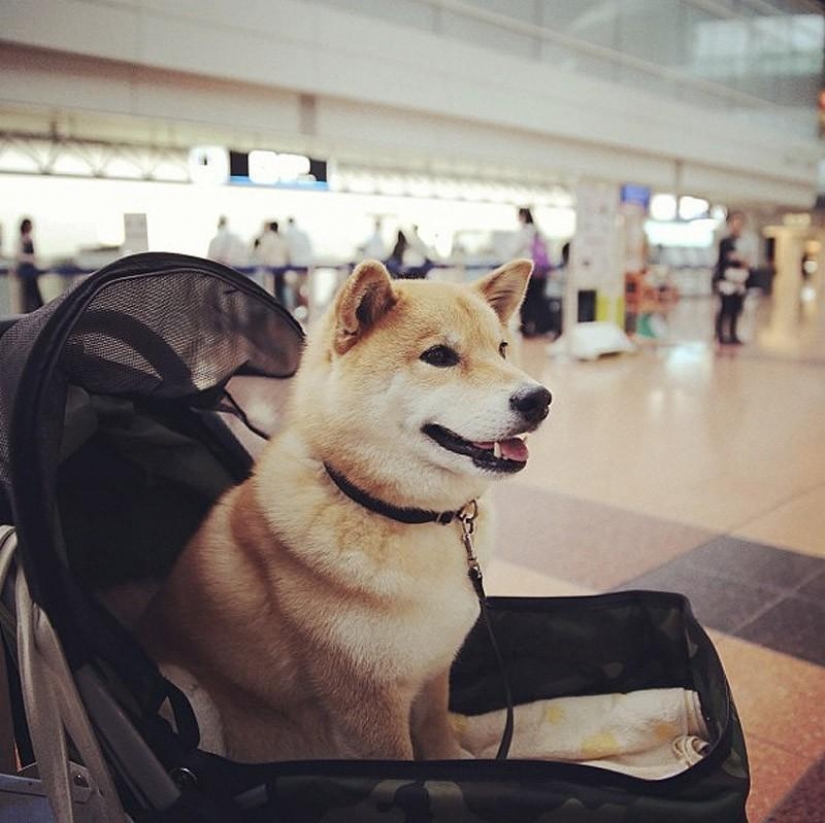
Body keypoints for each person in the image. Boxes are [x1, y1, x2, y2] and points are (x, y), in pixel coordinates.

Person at [512, 207, 552, 337]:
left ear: (522, 216)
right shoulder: (538, 232)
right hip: (542, 272)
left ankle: (527, 328)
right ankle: (543, 327)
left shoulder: (525, 232)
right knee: (539, 300)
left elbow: (514, 249)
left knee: (525, 301)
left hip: (529, 272)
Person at [714, 211, 749, 345]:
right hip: (727, 280)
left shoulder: (744, 242)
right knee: (725, 308)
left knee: (736, 308)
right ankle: (720, 334)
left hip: (739, 280)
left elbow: (746, 261)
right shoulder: (725, 242)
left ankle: (733, 333)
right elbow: (726, 260)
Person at [255, 221, 290, 305]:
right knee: (280, 293)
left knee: (268, 293)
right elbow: (287, 254)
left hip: (269, 270)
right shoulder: (281, 238)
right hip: (281, 269)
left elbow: (261, 254)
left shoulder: (266, 238)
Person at [14, 217, 43, 313]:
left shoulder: (30, 239)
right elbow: (19, 256)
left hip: (32, 271)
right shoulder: (21, 240)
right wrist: (31, 259)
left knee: (35, 295)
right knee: (27, 296)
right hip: (25, 271)